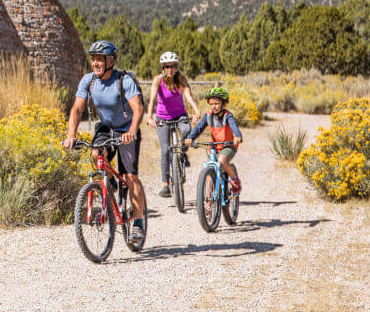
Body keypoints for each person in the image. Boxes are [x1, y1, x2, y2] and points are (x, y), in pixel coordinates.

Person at [63, 40, 146, 241]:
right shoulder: (88, 80)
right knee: (95, 154)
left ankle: (138, 220)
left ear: (110, 61)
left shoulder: (123, 80)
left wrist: (132, 131)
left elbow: (138, 108)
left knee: (130, 177)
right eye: (93, 59)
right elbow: (76, 109)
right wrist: (71, 134)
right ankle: (109, 184)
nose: (95, 63)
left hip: (126, 129)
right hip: (105, 128)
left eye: (99, 59)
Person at [146, 52, 201, 198]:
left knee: (187, 130)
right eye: (167, 67)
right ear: (163, 68)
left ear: (176, 67)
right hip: (162, 118)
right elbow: (152, 99)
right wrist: (150, 116)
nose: (170, 69)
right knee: (165, 150)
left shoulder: (181, 79)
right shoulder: (158, 80)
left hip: (180, 115)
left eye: (173, 66)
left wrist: (196, 111)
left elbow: (188, 96)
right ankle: (166, 185)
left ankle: (182, 152)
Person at [184, 86, 243, 193]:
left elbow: (234, 127)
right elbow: (199, 128)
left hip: (228, 146)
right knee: (209, 169)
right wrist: (190, 137)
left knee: (221, 160)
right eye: (211, 104)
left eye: (216, 104)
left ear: (223, 104)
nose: (213, 106)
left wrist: (237, 136)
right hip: (214, 146)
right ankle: (207, 203)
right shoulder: (208, 116)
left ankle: (235, 179)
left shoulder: (227, 116)